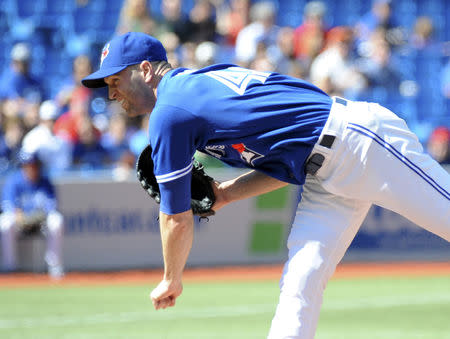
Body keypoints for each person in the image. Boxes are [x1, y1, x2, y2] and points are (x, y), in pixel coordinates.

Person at [81, 32, 450, 339]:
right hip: (321, 170)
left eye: (115, 82)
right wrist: (225, 194)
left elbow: (174, 218)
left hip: (359, 141)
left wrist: (171, 279)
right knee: (300, 281)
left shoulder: (171, 111)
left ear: (145, 70)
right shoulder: (195, 92)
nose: (112, 94)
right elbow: (286, 166)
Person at [0, 151, 64, 278]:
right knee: (5, 223)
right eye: (28, 165)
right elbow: (7, 204)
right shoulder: (14, 181)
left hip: (39, 222)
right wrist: (17, 214)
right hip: (20, 223)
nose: (32, 168)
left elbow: (51, 205)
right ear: (23, 167)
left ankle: (54, 266)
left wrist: (36, 216)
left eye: (34, 165)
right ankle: (10, 266)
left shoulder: (45, 181)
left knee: (57, 220)